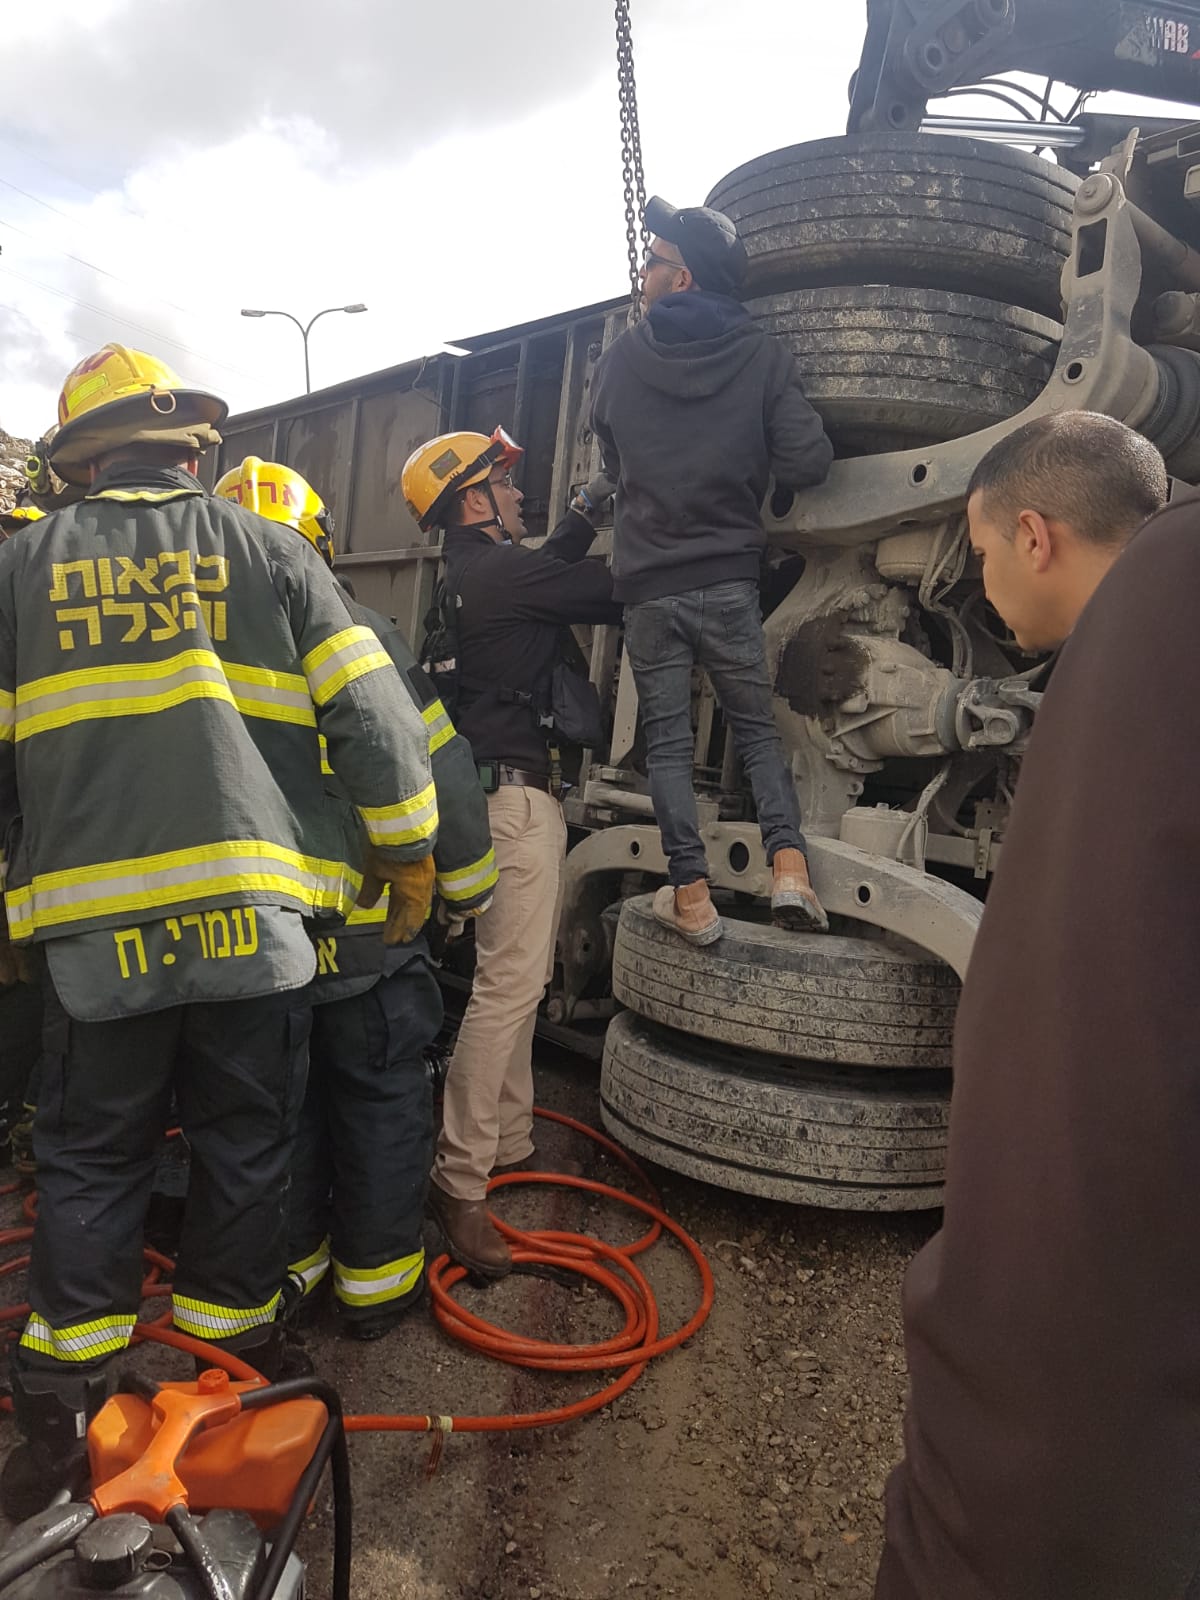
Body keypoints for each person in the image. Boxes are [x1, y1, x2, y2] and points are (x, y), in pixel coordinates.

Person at [0, 345, 437, 1516]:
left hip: (96, 945)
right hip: (254, 936)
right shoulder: (275, 552)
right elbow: (379, 725)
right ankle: (224, 1375)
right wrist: (406, 860)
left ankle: (64, 1406)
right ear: (195, 452)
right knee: (249, 1143)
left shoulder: (18, 571)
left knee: (94, 1152)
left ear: (79, 462)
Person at [875, 413, 1183, 1600]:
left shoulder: (1152, 633)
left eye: (985, 558)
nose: (984, 593)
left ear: (1037, 536)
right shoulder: (1135, 649)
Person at [214, 456, 495, 1339]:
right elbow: (437, 764)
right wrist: (468, 886)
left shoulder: (195, 652)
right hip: (374, 939)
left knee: (274, 1112)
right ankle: (375, 1295)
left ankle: (292, 1275)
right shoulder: (368, 629)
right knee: (379, 1105)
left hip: (259, 948)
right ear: (322, 550)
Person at [401, 428, 620, 1280]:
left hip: (491, 799)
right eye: (504, 483)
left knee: (514, 977)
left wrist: (580, 514)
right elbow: (609, 591)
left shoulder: (473, 576)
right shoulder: (505, 574)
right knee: (508, 986)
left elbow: (545, 567)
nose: (518, 495)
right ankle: (459, 1183)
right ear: (472, 502)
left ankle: (511, 1134)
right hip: (517, 805)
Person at [591, 195, 835, 948]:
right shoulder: (762, 356)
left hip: (651, 588)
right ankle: (789, 869)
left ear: (684, 278)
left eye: (654, 260)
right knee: (756, 732)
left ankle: (691, 897)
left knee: (666, 746)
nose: (644, 270)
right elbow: (808, 460)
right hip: (728, 576)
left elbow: (610, 460)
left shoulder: (621, 360)